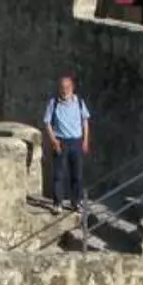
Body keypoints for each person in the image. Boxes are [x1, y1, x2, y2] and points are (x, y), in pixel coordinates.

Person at [42, 73, 91, 213]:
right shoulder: (53, 103)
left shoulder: (79, 102)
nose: (65, 90)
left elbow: (85, 121)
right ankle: (57, 203)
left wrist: (85, 140)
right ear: (59, 88)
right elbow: (47, 122)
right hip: (60, 141)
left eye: (67, 87)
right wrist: (53, 141)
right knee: (58, 174)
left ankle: (76, 202)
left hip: (76, 141)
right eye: (62, 87)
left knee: (77, 174)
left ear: (72, 87)